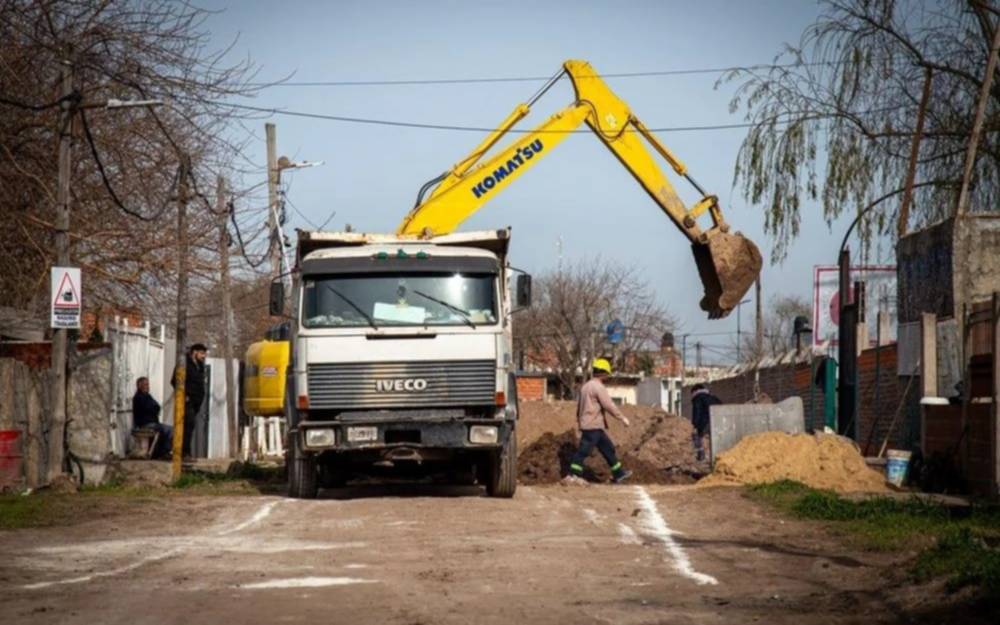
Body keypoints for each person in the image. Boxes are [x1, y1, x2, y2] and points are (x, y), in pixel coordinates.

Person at [568, 358, 633, 484]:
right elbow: (608, 405)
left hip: (591, 425)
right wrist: (622, 418)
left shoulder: (585, 387)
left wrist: (579, 421)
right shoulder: (598, 387)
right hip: (593, 426)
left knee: (608, 448)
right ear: (604, 372)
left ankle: (619, 473)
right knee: (583, 451)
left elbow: (580, 407)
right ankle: (572, 474)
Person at [171, 343, 207, 458]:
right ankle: (184, 452)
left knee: (190, 426)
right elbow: (174, 381)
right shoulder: (184, 363)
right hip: (187, 401)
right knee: (187, 425)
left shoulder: (200, 365)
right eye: (201, 353)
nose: (203, 356)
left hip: (196, 402)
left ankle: (184, 452)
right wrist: (184, 394)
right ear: (194, 352)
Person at [132, 377, 173, 459]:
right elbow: (149, 408)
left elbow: (157, 406)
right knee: (168, 430)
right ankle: (164, 452)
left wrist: (154, 408)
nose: (148, 386)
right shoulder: (138, 397)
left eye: (148, 384)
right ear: (139, 385)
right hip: (145, 424)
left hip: (153, 422)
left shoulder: (147, 396)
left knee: (169, 429)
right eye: (145, 384)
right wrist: (154, 408)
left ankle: (160, 452)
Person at [690, 383, 721, 462]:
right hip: (718, 423)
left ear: (695, 391)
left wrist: (695, 425)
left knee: (698, 438)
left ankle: (702, 457)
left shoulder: (697, 398)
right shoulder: (713, 398)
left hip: (705, 424)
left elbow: (697, 412)